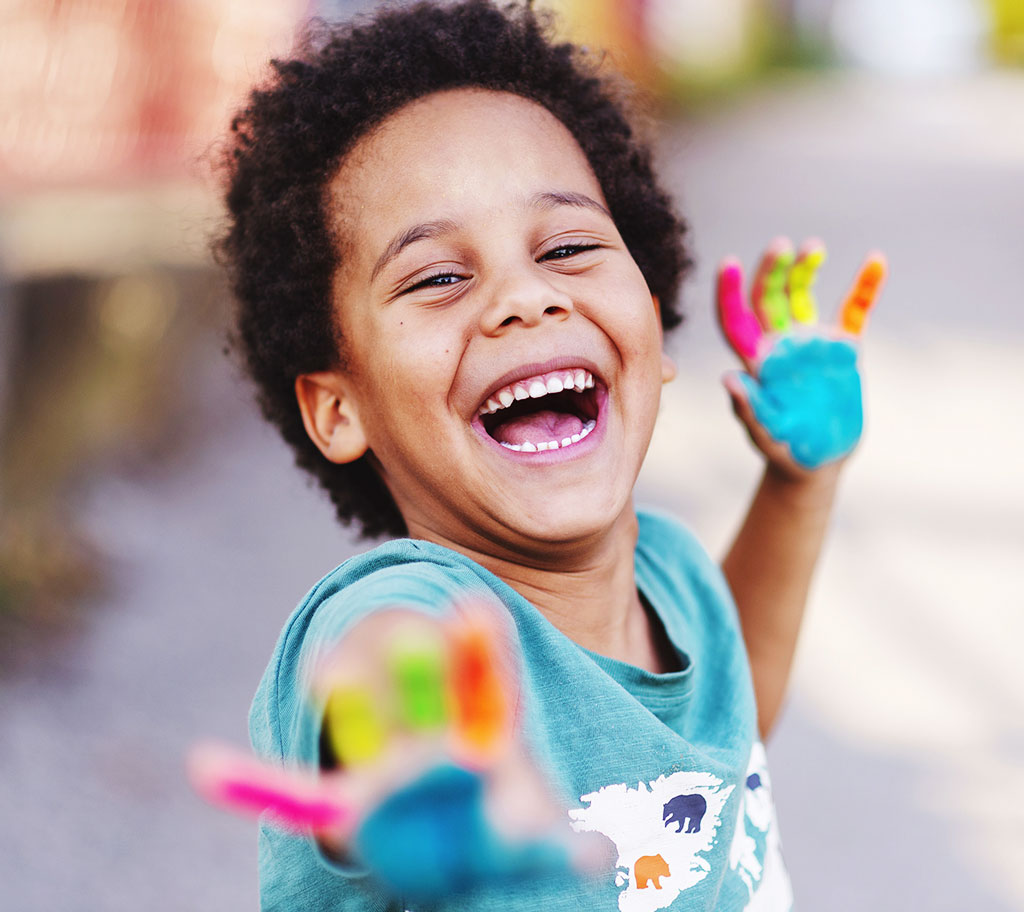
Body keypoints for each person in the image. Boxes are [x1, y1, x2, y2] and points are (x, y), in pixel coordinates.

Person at [214, 1, 884, 909]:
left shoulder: (675, 573)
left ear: (650, 313)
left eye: (567, 247)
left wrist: (799, 486)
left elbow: (735, 719)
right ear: (337, 408)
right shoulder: (408, 607)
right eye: (439, 277)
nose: (524, 297)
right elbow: (382, 657)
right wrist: (422, 762)